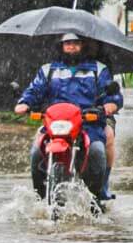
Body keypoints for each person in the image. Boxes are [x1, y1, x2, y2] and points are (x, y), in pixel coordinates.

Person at [14, 33, 123, 201]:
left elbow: (112, 96)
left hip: (88, 123)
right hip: (56, 123)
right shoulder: (48, 70)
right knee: (37, 150)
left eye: (76, 43)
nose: (71, 46)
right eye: (67, 43)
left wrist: (110, 104)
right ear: (61, 46)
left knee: (97, 150)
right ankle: (40, 195)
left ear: (83, 45)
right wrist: (25, 103)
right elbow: (35, 91)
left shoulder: (99, 69)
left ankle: (99, 191)